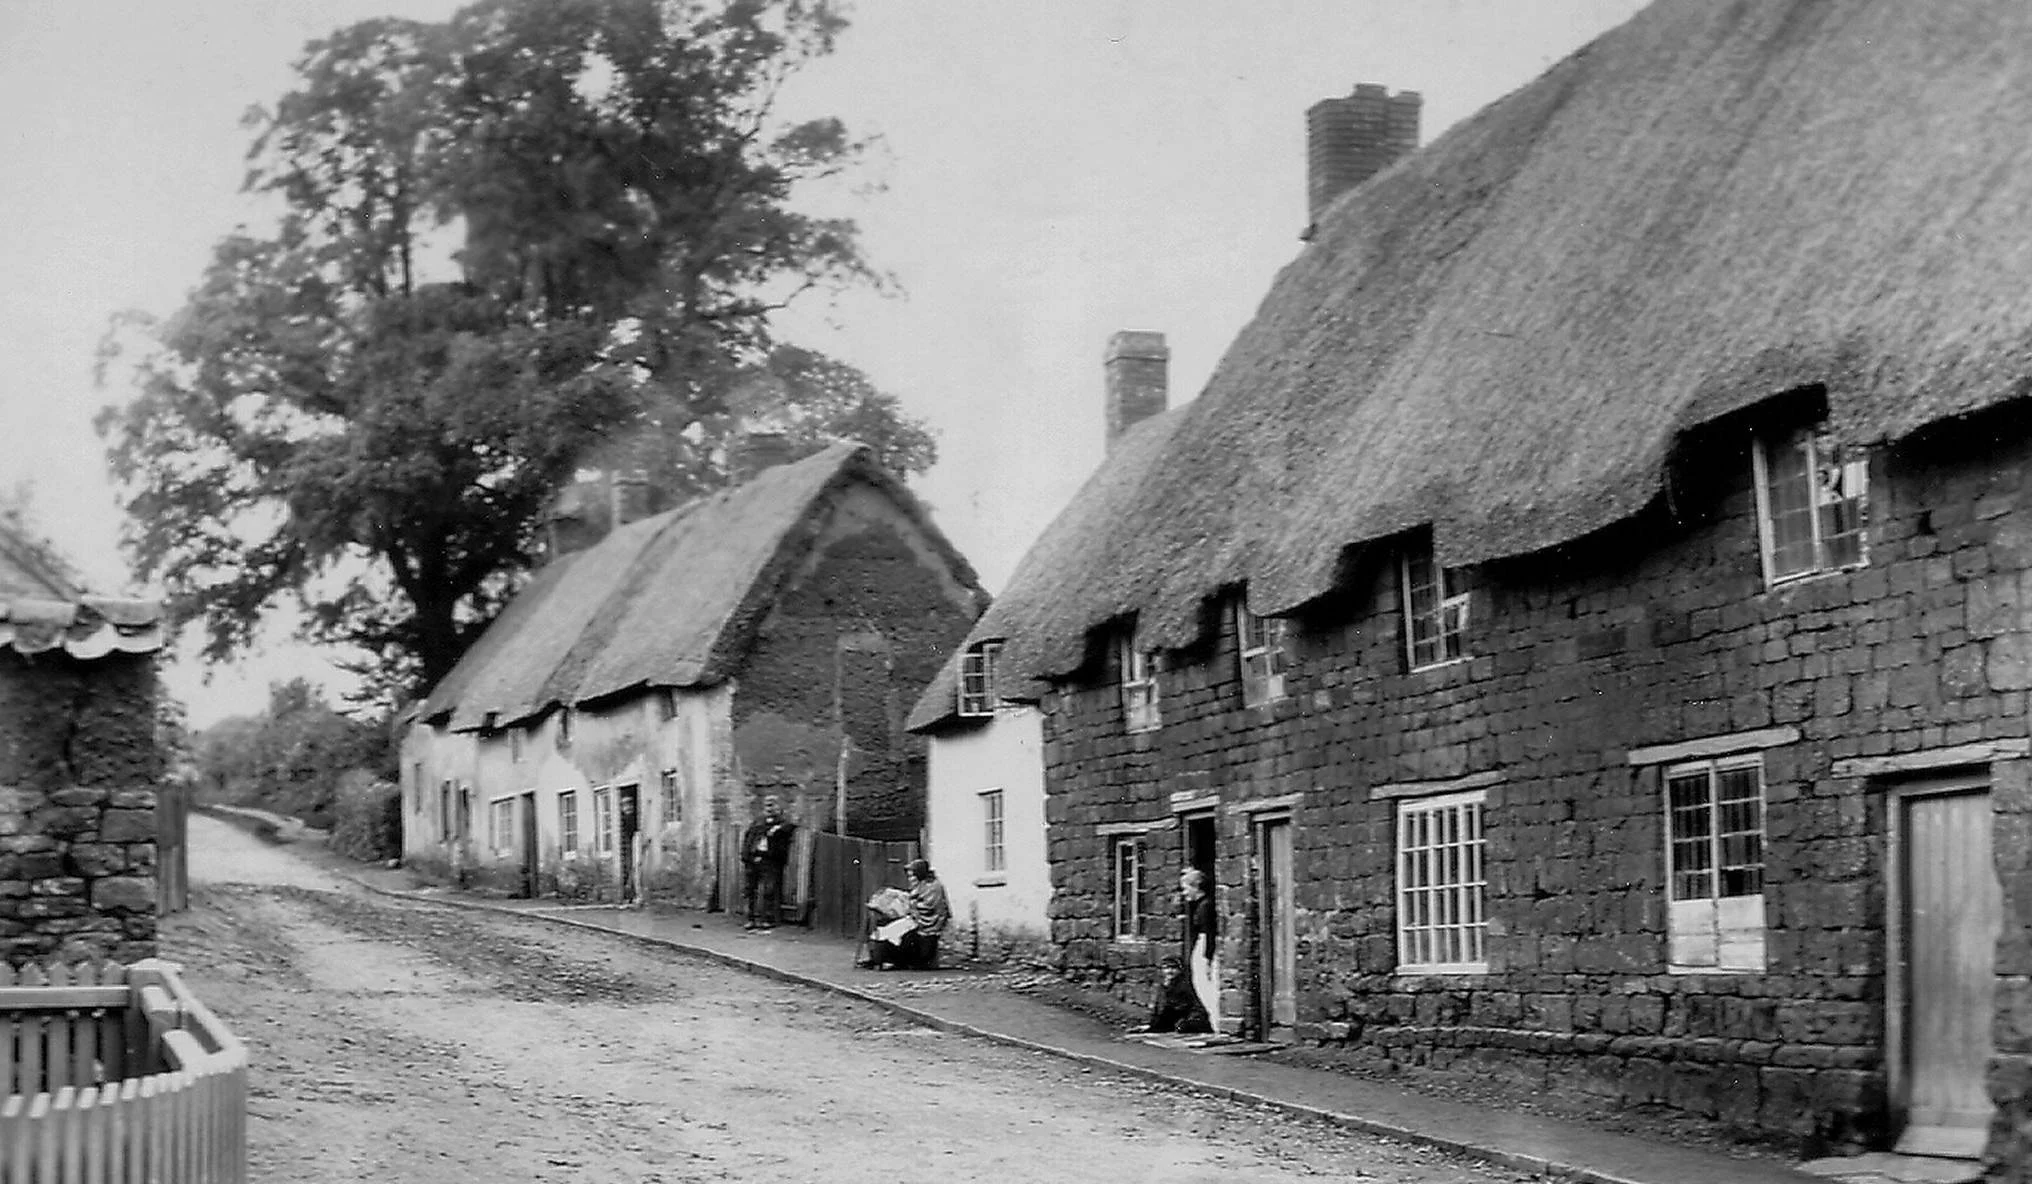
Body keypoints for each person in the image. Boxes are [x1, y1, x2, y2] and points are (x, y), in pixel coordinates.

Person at [863, 859, 950, 970]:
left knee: (902, 934)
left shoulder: (933, 887)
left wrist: (908, 906)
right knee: (888, 930)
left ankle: (895, 959)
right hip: (917, 920)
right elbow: (913, 901)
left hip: (929, 925)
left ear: (920, 874)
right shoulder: (921, 885)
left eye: (912, 876)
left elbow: (928, 908)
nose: (910, 880)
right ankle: (879, 958)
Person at [741, 796, 795, 930]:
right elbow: (748, 838)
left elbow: (791, 826)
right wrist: (747, 856)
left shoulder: (783, 823)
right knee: (750, 890)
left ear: (779, 807)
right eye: (767, 806)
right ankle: (750, 919)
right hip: (754, 859)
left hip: (770, 860)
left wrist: (776, 829)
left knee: (769, 890)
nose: (770, 809)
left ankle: (768, 919)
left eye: (772, 805)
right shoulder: (758, 822)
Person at [1131, 954, 1211, 1034]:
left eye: (1173, 968)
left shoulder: (1183, 986)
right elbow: (1160, 1008)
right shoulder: (1163, 985)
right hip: (1174, 1018)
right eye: (1166, 968)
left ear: (1180, 970)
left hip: (1188, 1018)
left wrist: (1153, 1025)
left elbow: (1173, 1009)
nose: (1170, 971)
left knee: (1182, 1027)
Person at [1180, 866, 1218, 1026]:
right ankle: (1214, 1021)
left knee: (1205, 985)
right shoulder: (1202, 905)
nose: (1184, 893)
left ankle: (1216, 1022)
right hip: (1202, 943)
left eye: (1186, 888)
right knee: (1200, 984)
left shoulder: (1205, 906)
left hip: (1204, 945)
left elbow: (1209, 933)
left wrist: (1207, 958)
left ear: (1196, 887)